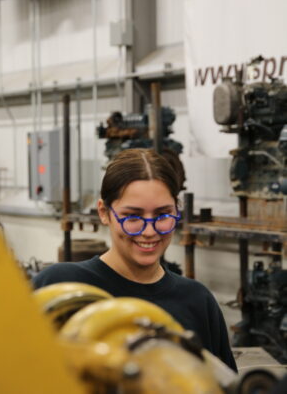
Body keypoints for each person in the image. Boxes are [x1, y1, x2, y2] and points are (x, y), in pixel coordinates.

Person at [33, 148, 237, 371]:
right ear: (104, 212)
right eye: (132, 217)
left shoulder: (197, 300)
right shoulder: (61, 287)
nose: (149, 232)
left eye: (162, 215)